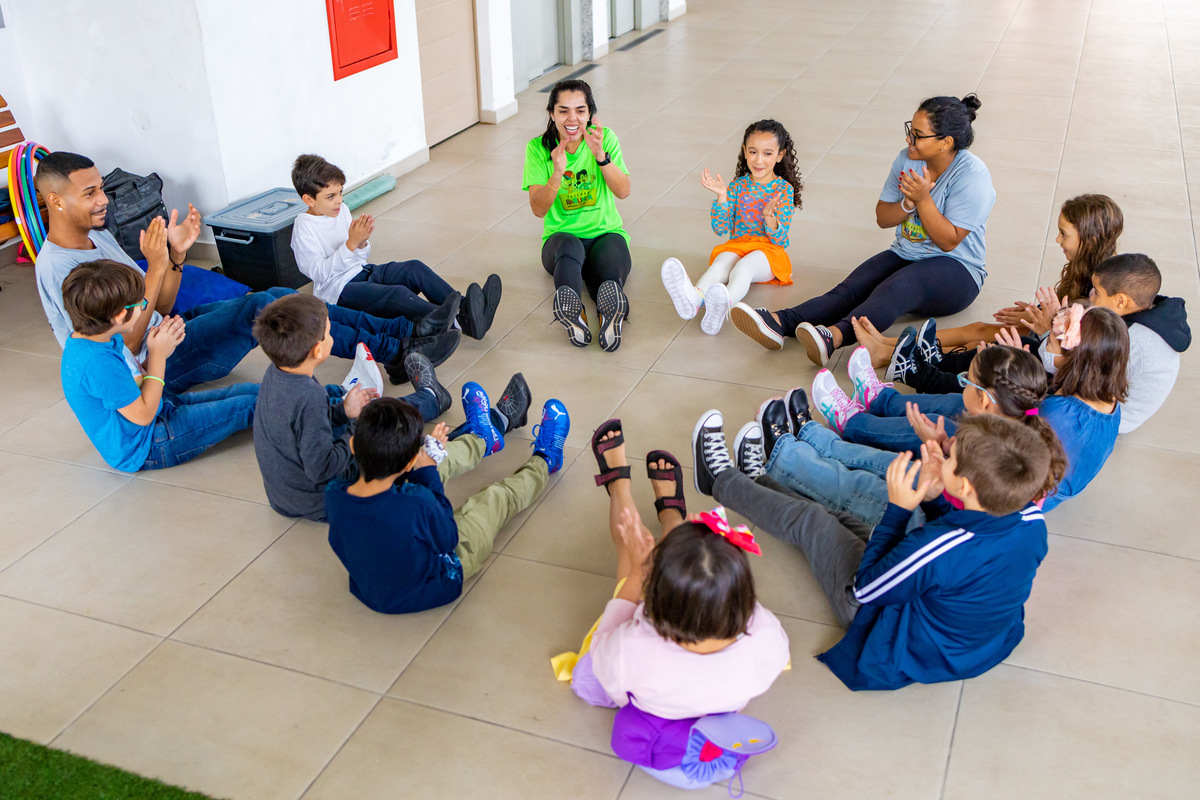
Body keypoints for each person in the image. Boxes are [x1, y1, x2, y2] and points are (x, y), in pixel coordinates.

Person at [34, 151, 460, 391]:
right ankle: (399, 349)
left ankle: (404, 339)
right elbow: (122, 342)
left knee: (277, 297)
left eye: (100, 189)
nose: (103, 200)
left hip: (164, 332)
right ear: (55, 201)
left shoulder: (99, 238)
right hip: (150, 368)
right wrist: (157, 266)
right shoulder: (58, 269)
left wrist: (176, 259)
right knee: (263, 309)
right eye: (89, 193)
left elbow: (158, 307)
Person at [693, 408, 1052, 691]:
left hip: (897, 631)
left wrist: (900, 507)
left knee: (812, 523)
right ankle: (757, 482)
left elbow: (866, 588)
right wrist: (935, 500)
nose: (943, 459)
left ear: (966, 486)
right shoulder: (1032, 521)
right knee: (838, 522)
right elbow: (963, 545)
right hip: (974, 642)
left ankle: (720, 481)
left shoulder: (940, 547)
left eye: (950, 459)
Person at [553, 419, 788, 786]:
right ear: (744, 597)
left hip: (652, 728)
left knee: (629, 563)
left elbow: (609, 681)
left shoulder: (635, 647)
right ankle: (671, 515)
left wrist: (639, 573)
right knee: (687, 566)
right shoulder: (768, 634)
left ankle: (621, 492)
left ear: (653, 603)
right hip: (716, 727)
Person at [729, 95, 994, 366]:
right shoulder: (907, 159)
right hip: (907, 253)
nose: (908, 140)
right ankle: (778, 323)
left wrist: (924, 200)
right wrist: (907, 203)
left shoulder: (972, 176)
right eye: (909, 131)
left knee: (895, 289)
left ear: (945, 142)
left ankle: (833, 337)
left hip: (959, 270)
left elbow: (949, 241)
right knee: (850, 290)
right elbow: (883, 216)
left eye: (917, 135)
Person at [817, 306, 1128, 510]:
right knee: (962, 402)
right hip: (1015, 453)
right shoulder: (1097, 393)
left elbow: (1010, 455)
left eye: (1055, 343)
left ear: (1075, 361)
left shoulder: (1061, 417)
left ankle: (854, 423)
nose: (1046, 342)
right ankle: (881, 400)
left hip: (1003, 491)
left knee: (956, 421)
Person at [756, 346, 1066, 532]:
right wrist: (943, 448)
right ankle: (811, 435)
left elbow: (962, 504)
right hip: (943, 495)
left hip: (933, 524)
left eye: (966, 382)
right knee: (880, 461)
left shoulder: (1003, 454)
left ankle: (782, 455)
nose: (962, 388)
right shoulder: (1018, 433)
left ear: (985, 400)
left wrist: (933, 469)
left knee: (858, 487)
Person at [872, 254, 1189, 434]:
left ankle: (918, 374)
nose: (1090, 298)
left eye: (1096, 292)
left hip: (1099, 415)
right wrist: (1045, 338)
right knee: (1021, 348)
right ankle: (935, 361)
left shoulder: (1135, 343)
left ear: (1120, 300)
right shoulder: (1135, 315)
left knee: (1013, 375)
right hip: (1092, 386)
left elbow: (1080, 381)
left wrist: (1046, 340)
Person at [325, 392, 570, 614]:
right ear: (410, 463)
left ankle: (483, 439)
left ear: (353, 445)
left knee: (433, 461)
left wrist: (425, 462)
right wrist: (429, 471)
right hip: (437, 580)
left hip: (370, 589)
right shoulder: (416, 504)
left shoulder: (334, 492)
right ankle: (545, 460)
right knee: (496, 497)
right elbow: (448, 538)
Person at [251, 293, 486, 521]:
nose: (332, 336)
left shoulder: (278, 372)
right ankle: (468, 431)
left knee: (370, 414)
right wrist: (357, 427)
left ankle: (430, 399)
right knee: (383, 427)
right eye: (329, 333)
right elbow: (322, 468)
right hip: (321, 499)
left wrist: (343, 411)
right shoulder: (307, 396)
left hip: (285, 496)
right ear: (318, 350)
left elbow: (302, 426)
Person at [853, 193, 1124, 376]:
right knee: (979, 329)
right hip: (1047, 333)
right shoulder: (1090, 265)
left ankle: (890, 355)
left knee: (977, 343)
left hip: (1050, 350)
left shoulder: (1098, 287)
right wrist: (1032, 313)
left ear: (1089, 239)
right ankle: (888, 345)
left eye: (1064, 234)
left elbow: (1068, 337)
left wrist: (1038, 320)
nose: (1056, 240)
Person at [59, 259, 259, 471]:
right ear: (119, 316)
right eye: (140, 305)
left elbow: (132, 383)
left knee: (248, 392)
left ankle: (293, 393)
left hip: (157, 412)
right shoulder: (98, 363)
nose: (144, 309)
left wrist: (162, 347)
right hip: (147, 445)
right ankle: (296, 412)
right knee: (248, 406)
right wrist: (158, 355)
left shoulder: (97, 338)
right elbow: (143, 415)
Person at [289, 154, 502, 339]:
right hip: (337, 291)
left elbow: (358, 257)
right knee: (397, 295)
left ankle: (467, 311)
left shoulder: (340, 209)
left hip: (361, 271)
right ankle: (456, 322)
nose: (339, 201)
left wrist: (361, 243)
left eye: (341, 192)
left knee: (414, 268)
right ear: (309, 199)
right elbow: (319, 274)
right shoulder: (303, 229)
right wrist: (351, 244)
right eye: (331, 196)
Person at [660, 119, 803, 335]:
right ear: (744, 151)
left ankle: (723, 303)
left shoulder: (784, 190)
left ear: (780, 155)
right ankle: (695, 299)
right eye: (753, 151)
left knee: (743, 268)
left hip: (768, 252)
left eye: (767, 153)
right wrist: (722, 198)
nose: (758, 160)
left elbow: (780, 240)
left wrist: (769, 218)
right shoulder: (737, 186)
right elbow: (721, 229)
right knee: (720, 265)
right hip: (738, 245)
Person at [523, 79, 632, 352]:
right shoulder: (538, 149)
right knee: (570, 248)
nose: (572, 118)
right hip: (560, 241)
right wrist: (557, 172)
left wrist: (601, 157)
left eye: (580, 111)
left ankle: (608, 312)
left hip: (605, 233)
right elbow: (538, 209)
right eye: (563, 111)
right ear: (552, 114)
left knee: (606, 266)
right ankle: (574, 311)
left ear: (590, 114)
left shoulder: (605, 139)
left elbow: (623, 191)